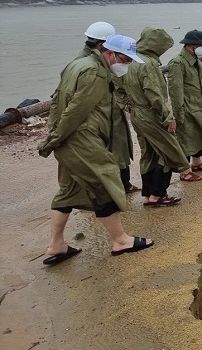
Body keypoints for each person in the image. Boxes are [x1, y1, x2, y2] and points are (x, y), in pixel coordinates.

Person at [38, 34, 154, 265]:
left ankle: (57, 245)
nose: (127, 64)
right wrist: (54, 139)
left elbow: (56, 100)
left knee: (69, 189)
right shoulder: (95, 72)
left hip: (70, 137)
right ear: (109, 53)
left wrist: (55, 134)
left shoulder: (77, 64)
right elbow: (75, 111)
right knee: (105, 180)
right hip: (80, 136)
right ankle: (121, 241)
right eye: (125, 59)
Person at [124, 27, 191, 206]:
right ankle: (158, 194)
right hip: (150, 114)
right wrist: (168, 116)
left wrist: (128, 105)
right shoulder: (149, 64)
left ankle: (148, 195)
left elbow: (121, 88)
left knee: (149, 153)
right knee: (168, 151)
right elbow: (154, 93)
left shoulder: (133, 61)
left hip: (137, 113)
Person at [79, 22, 139, 194]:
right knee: (105, 153)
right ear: (101, 44)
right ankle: (107, 190)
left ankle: (124, 184)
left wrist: (124, 101)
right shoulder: (88, 64)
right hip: (100, 116)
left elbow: (118, 82)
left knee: (120, 149)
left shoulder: (102, 59)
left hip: (112, 111)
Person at [168, 29, 202, 181]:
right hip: (187, 106)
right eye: (201, 45)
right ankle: (185, 171)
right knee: (186, 137)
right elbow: (175, 89)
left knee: (198, 132)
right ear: (191, 46)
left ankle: (197, 162)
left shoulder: (195, 60)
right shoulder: (178, 63)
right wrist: (178, 112)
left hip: (199, 104)